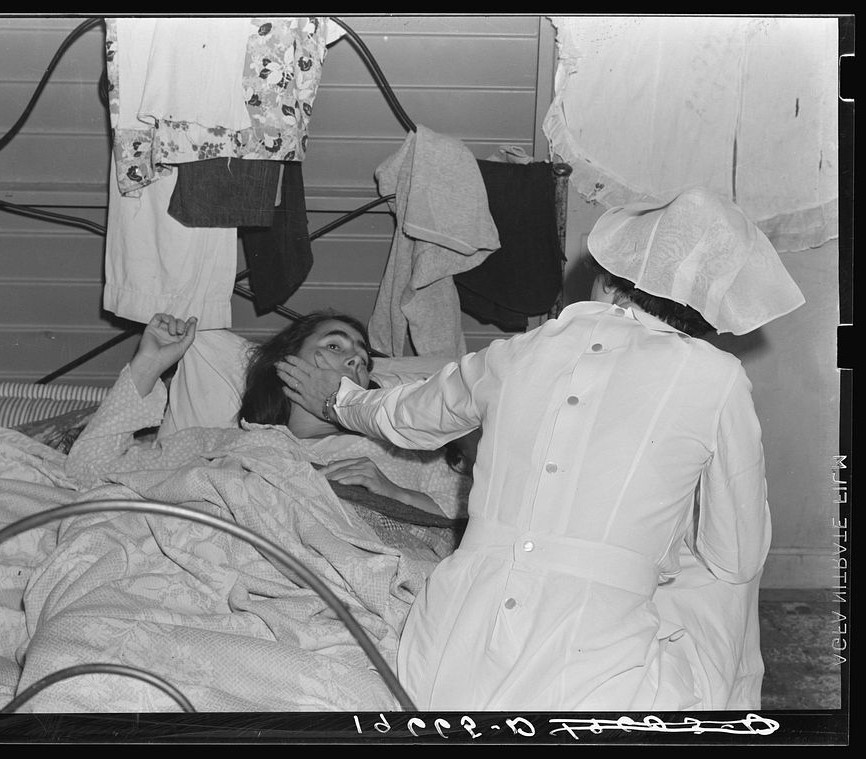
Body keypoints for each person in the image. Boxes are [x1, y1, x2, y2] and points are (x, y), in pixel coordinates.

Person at [274, 186, 805, 711]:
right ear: (708, 315)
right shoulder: (717, 377)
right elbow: (734, 555)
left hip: (447, 653)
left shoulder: (517, 353)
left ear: (609, 284)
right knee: (726, 577)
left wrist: (338, 402)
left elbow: (403, 416)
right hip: (598, 671)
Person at [66, 310, 470, 521]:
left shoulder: (409, 452)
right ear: (285, 364)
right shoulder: (223, 444)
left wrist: (395, 493)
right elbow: (88, 474)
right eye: (334, 346)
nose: (355, 358)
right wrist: (148, 364)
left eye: (363, 359)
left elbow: (479, 521)